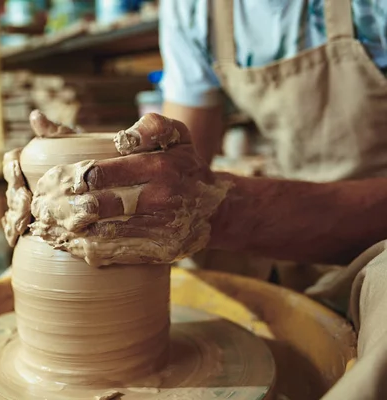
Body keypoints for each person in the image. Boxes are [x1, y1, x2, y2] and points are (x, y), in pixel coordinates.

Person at [2, 110, 387, 400]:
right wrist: (91, 168)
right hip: (259, 215)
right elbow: (169, 159)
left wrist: (226, 209)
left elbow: (201, 196)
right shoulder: (193, 9)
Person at [157, 0, 387, 289]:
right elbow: (174, 170)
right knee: (166, 242)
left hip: (376, 229)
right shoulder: (192, 7)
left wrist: (231, 210)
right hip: (298, 212)